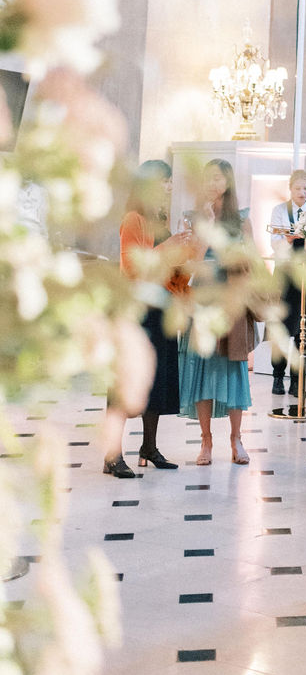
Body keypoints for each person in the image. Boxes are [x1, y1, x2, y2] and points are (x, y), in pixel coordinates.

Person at [106, 160, 193, 476]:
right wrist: (171, 245)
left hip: (162, 307)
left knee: (157, 379)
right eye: (166, 181)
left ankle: (149, 447)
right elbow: (133, 268)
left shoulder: (160, 217)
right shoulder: (133, 219)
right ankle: (112, 455)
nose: (170, 188)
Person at [178, 159, 255, 466]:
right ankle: (206, 441)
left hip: (233, 300)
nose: (214, 184)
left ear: (229, 183)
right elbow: (188, 261)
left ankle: (236, 439)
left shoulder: (242, 218)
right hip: (202, 301)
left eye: (220, 179)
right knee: (201, 369)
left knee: (233, 369)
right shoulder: (194, 218)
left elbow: (254, 261)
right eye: (209, 179)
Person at [268, 170, 306, 395]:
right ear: (290, 189)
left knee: (305, 324)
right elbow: (274, 242)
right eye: (298, 188)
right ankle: (277, 375)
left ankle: (297, 378)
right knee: (283, 323)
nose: (302, 192)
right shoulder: (280, 210)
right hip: (285, 271)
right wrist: (288, 238)